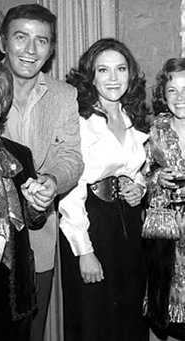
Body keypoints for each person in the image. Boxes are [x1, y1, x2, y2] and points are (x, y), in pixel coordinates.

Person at [0, 4, 84, 341]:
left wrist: (53, 181)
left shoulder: (64, 96)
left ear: (51, 50)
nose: (31, 50)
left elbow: (71, 158)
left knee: (30, 331)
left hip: (37, 240)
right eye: (21, 37)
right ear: (3, 42)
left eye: (42, 41)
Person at [59, 37, 150, 341]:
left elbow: (135, 169)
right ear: (91, 76)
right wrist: (84, 251)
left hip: (127, 226)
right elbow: (71, 192)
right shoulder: (80, 120)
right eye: (103, 70)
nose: (113, 78)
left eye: (120, 69)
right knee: (95, 319)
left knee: (129, 312)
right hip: (91, 224)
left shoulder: (131, 117)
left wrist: (137, 187)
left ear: (130, 73)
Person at [0, 55, 47, 341]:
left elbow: (32, 222)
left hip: (16, 296)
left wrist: (37, 205)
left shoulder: (20, 154)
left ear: (2, 109)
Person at [143, 58, 185, 341]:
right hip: (170, 232)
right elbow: (140, 175)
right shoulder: (156, 130)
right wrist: (156, 180)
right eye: (173, 90)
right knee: (171, 322)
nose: (180, 97)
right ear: (163, 94)